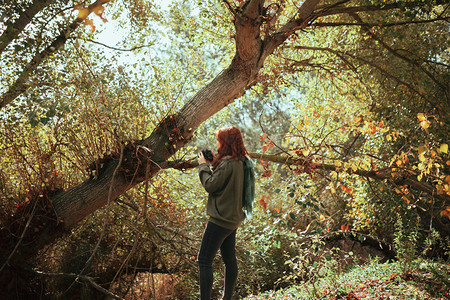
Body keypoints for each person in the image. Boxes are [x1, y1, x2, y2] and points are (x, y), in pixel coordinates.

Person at [197, 126, 254, 300]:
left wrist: (203, 166)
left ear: (225, 142)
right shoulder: (242, 161)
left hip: (220, 220)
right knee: (229, 258)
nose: (217, 143)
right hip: (233, 219)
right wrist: (214, 162)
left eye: (219, 140)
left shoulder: (228, 164)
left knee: (204, 260)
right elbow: (225, 177)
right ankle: (227, 298)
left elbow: (211, 185)